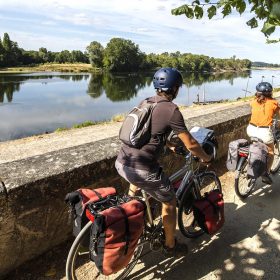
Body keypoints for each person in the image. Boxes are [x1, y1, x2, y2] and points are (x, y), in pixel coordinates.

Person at [115, 67, 212, 257]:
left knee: (136, 188)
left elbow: (148, 131)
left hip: (122, 162)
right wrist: (205, 157)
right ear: (175, 88)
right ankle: (170, 245)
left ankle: (131, 217)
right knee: (170, 201)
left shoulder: (146, 102)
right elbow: (191, 143)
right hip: (143, 169)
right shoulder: (171, 109)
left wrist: (169, 144)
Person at [246, 81, 280, 184]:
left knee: (254, 147)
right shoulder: (273, 103)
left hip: (250, 129)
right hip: (264, 132)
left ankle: (249, 163)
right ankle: (265, 173)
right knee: (270, 153)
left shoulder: (253, 101)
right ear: (270, 93)